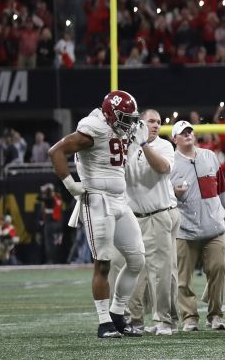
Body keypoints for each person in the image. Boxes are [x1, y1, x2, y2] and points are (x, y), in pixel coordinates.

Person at [50, 90, 146, 338]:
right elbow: (56, 151)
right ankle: (104, 322)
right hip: (97, 200)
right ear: (110, 114)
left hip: (119, 200)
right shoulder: (94, 128)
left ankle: (117, 313)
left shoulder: (122, 128)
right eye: (124, 117)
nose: (129, 123)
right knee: (103, 262)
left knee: (137, 259)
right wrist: (71, 186)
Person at [111, 109, 177, 335]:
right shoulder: (125, 145)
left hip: (157, 215)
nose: (156, 125)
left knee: (160, 273)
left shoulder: (164, 146)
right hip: (130, 218)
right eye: (151, 121)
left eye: (159, 122)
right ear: (140, 123)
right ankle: (132, 320)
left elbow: (161, 168)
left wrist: (143, 145)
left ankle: (163, 321)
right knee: (124, 268)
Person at [170, 119, 225, 331]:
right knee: (183, 278)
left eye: (190, 130)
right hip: (184, 229)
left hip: (214, 226)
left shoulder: (209, 156)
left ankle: (215, 315)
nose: (188, 134)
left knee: (218, 268)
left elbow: (222, 187)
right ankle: (189, 317)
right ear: (174, 139)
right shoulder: (169, 163)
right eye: (183, 132)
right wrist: (173, 193)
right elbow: (162, 195)